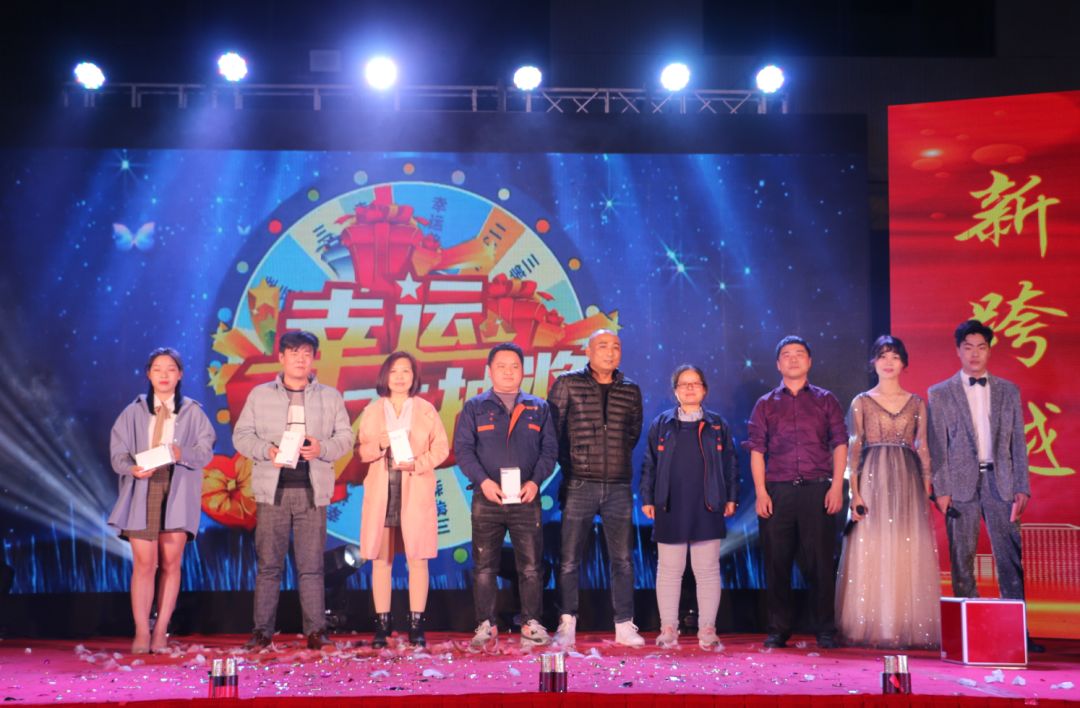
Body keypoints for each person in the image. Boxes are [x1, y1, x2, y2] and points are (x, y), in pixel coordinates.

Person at [233, 330, 353, 651]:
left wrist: (322, 448)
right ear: (281, 357)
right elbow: (241, 436)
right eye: (294, 353)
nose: (301, 359)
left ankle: (316, 631)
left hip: (312, 491)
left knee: (312, 567)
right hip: (272, 491)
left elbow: (346, 437)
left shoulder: (329, 396)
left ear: (313, 359)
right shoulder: (260, 395)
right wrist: (266, 450)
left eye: (307, 353)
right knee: (269, 566)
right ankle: (262, 632)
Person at [927, 319, 1043, 653]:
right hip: (959, 485)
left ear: (989, 350)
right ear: (958, 351)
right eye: (968, 348)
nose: (975, 354)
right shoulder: (940, 392)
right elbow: (937, 446)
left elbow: (1018, 442)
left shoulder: (1008, 390)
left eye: (981, 347)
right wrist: (941, 489)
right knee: (962, 559)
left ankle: (1018, 633)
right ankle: (971, 633)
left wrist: (1022, 485)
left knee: (1009, 558)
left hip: (1001, 481)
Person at [835, 335, 940, 648]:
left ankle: (903, 623)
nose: (889, 362)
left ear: (904, 363)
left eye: (894, 356)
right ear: (873, 362)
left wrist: (926, 487)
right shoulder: (861, 401)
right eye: (882, 356)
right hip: (872, 476)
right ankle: (874, 622)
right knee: (874, 543)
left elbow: (922, 446)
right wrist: (854, 493)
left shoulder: (917, 402)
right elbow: (854, 447)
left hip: (907, 478)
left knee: (905, 546)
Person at [109, 347, 215, 654]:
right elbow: (117, 454)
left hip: (178, 486)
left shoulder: (192, 411)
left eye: (170, 369)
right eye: (157, 369)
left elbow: (205, 452)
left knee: (171, 563)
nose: (164, 375)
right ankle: (142, 631)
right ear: (149, 374)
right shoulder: (133, 411)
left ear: (180, 374)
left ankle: (161, 631)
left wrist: (183, 453)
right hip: (142, 487)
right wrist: (132, 468)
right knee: (145, 564)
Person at [454, 343, 558, 649]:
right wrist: (483, 481)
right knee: (485, 567)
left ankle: (531, 624)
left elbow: (549, 450)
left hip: (526, 498)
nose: (508, 372)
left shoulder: (539, 407)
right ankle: (486, 625)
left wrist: (536, 482)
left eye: (515, 366)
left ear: (524, 371)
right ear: (490, 371)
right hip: (487, 498)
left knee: (531, 567)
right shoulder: (474, 407)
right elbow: (463, 450)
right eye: (501, 366)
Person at [747, 335, 847, 649]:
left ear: (809, 361)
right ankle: (778, 629)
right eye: (787, 354)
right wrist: (761, 492)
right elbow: (757, 450)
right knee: (776, 563)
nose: (793, 359)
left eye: (799, 353)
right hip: (778, 491)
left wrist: (836, 486)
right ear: (778, 364)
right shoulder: (765, 404)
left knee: (820, 563)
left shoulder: (825, 400)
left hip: (817, 490)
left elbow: (840, 443)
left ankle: (825, 629)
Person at [548, 329, 645, 648]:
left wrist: (612, 461)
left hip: (618, 484)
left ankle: (624, 625)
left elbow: (632, 435)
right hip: (579, 482)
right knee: (569, 559)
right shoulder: (567, 384)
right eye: (602, 346)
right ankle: (567, 623)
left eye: (616, 346)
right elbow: (554, 433)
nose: (610, 352)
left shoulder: (630, 390)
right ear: (587, 351)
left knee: (623, 559)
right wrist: (574, 467)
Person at [640, 364, 738, 650]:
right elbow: (649, 464)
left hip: (708, 503)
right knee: (669, 571)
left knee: (707, 570)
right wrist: (648, 498)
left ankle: (707, 629)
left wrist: (731, 497)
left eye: (695, 383)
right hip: (670, 504)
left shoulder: (718, 425)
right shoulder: (661, 424)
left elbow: (730, 463)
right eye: (684, 384)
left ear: (704, 390)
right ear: (675, 391)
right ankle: (668, 629)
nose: (690, 388)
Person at [356, 351, 450, 648]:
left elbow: (442, 449)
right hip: (382, 489)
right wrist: (380, 443)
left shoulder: (426, 409)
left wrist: (417, 464)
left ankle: (416, 625)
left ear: (414, 377)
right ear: (385, 376)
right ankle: (382, 625)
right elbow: (363, 451)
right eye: (394, 371)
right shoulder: (373, 410)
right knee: (381, 560)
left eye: (406, 371)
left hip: (415, 486)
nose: (399, 377)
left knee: (417, 559)